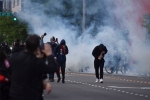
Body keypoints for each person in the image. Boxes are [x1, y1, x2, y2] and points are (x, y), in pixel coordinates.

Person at [9, 34, 57, 100]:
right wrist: (49, 55)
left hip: (15, 95)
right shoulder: (36, 62)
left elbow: (6, 66)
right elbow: (52, 68)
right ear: (37, 48)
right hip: (32, 96)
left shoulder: (14, 57)